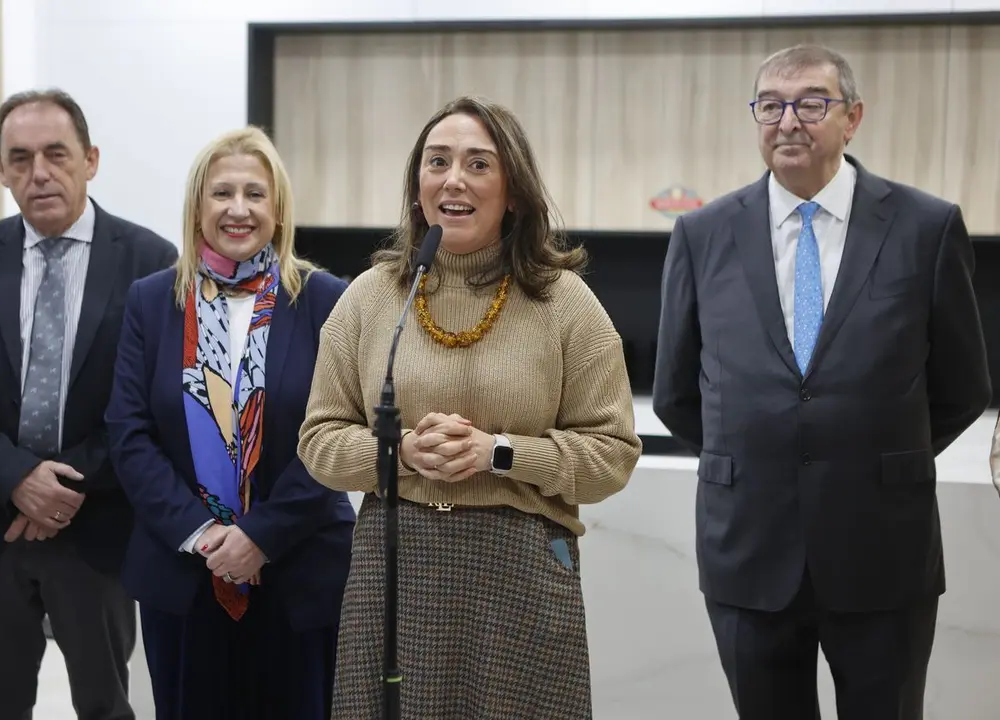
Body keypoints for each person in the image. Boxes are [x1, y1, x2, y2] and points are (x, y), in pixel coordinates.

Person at [653, 44, 991, 720]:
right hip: (748, 545)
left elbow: (962, 386)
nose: (788, 122)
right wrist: (764, 457)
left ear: (852, 117)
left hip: (882, 547)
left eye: (811, 103)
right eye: (770, 106)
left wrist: (869, 456)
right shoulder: (702, 233)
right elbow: (676, 393)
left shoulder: (926, 227)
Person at [297, 95, 642, 719]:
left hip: (522, 571)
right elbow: (319, 440)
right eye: (438, 162)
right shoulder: (373, 299)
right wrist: (399, 453)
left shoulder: (566, 303)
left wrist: (500, 453)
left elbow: (612, 456)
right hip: (395, 567)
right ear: (418, 186)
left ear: (513, 191)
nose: (454, 179)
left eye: (479, 164)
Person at [0, 89, 178, 719]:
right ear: (1, 170)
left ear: (90, 159)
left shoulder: (151, 263)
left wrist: (59, 489)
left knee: (105, 706)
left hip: (97, 529)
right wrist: (17, 480)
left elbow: (153, 403)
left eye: (56, 154)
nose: (39, 173)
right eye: (20, 157)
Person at [104, 126, 355, 720]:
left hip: (299, 572)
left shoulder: (327, 300)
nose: (238, 210)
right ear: (197, 207)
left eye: (255, 194)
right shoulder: (151, 300)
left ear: (279, 210)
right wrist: (205, 534)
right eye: (221, 193)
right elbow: (129, 432)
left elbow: (339, 431)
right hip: (184, 572)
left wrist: (260, 536)